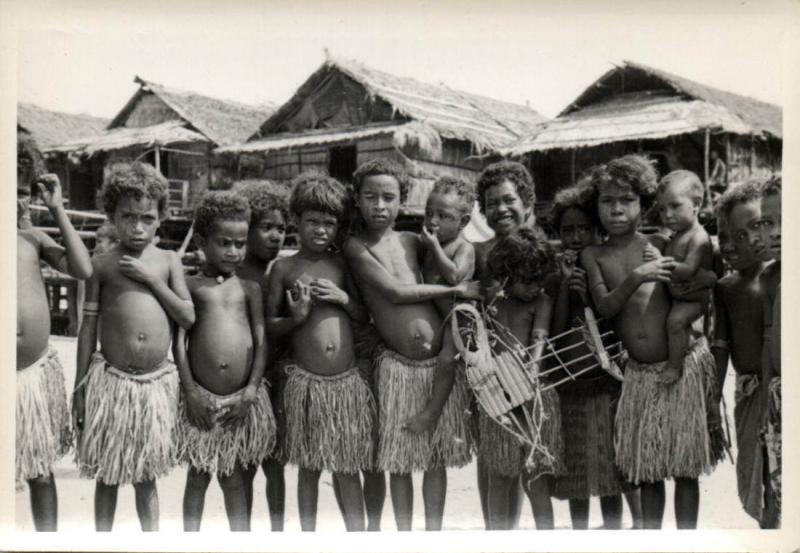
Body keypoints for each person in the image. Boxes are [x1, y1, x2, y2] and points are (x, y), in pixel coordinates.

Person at [580, 155, 721, 529]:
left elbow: (697, 278)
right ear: (596, 205)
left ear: (643, 205)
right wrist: (637, 276)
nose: (616, 208)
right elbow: (605, 307)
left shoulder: (662, 241)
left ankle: (686, 539)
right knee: (650, 467)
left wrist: (700, 282)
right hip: (640, 374)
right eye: (607, 200)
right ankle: (654, 539)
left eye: (626, 200)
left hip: (680, 365)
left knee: (685, 466)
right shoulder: (593, 254)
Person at [343, 159, 477, 531]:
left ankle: (432, 533)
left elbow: (447, 258)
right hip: (398, 365)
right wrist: (455, 289)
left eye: (389, 197)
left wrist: (459, 284)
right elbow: (395, 292)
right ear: (357, 200)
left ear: (402, 200)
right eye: (371, 197)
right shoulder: (355, 247)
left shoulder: (412, 241)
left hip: (436, 362)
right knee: (399, 458)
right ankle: (403, 534)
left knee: (435, 457)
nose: (380, 206)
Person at [73, 162, 195, 531]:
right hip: (112, 383)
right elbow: (88, 326)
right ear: (111, 216)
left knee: (146, 476)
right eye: (127, 217)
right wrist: (80, 388)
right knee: (107, 474)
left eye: (147, 217)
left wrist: (151, 280)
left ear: (162, 218)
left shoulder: (169, 261)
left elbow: (187, 317)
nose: (137, 227)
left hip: (155, 385)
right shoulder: (102, 265)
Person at [267, 173, 377, 532]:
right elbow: (269, 325)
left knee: (346, 467)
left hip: (345, 384)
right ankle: (308, 538)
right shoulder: (283, 268)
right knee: (309, 467)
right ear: (296, 220)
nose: (320, 230)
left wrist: (344, 299)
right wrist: (295, 316)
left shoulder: (342, 265)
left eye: (329, 223)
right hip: (306, 384)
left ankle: (357, 538)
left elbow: (364, 317)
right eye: (312, 221)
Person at [177, 191, 276, 531]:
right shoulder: (190, 286)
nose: (234, 252)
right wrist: (190, 392)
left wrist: (251, 391)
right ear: (202, 242)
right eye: (224, 243)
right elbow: (179, 342)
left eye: (239, 243)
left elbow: (262, 342)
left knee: (233, 477)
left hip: (239, 400)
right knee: (198, 476)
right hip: (201, 398)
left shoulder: (249, 289)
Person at [548, 184, 642, 530]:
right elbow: (556, 333)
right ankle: (579, 536)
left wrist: (587, 295)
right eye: (567, 230)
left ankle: (615, 534)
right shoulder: (553, 273)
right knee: (576, 471)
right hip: (569, 381)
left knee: (609, 468)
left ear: (598, 230)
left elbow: (616, 321)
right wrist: (562, 288)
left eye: (584, 228)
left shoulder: (604, 266)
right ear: (556, 234)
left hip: (606, 379)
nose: (576, 237)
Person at [17, 131, 93, 531]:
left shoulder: (32, 237)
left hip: (30, 376)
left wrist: (58, 210)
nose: (14, 201)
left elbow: (82, 268)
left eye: (20, 192)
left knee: (40, 469)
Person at [472, 160, 539, 529]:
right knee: (495, 463)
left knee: (528, 464)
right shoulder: (478, 253)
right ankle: (495, 537)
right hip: (490, 374)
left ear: (527, 201)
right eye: (492, 203)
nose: (500, 209)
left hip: (533, 372)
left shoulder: (542, 250)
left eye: (509, 199)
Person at [482, 227, 564, 530]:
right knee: (500, 474)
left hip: (533, 395)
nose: (534, 287)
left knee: (536, 476)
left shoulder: (541, 301)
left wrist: (533, 364)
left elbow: (539, 336)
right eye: (526, 280)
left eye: (539, 280)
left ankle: (545, 539)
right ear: (507, 273)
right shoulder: (493, 300)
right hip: (497, 394)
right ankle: (497, 538)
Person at [234, 180, 291, 531]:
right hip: (243, 383)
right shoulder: (234, 274)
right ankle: (244, 536)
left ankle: (277, 533)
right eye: (266, 227)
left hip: (277, 380)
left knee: (275, 465)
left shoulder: (284, 272)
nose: (276, 236)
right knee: (244, 464)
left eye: (282, 228)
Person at [713, 182, 771, 525]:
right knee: (753, 478)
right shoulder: (726, 287)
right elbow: (721, 346)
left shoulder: (781, 280)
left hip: (781, 394)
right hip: (748, 395)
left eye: (753, 227)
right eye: (729, 234)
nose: (738, 242)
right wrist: (711, 399)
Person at [406, 175, 477, 434]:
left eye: (443, 216)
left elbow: (455, 277)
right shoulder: (429, 245)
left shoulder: (463, 247)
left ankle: (431, 414)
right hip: (439, 316)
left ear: (464, 221)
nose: (433, 222)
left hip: (460, 318)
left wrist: (434, 247)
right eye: (428, 214)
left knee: (447, 360)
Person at [653, 170, 714, 384]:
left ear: (696, 204)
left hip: (695, 299)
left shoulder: (698, 237)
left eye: (675, 206)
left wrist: (659, 259)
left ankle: (674, 367)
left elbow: (688, 270)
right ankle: (682, 347)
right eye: (662, 209)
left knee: (676, 321)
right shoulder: (676, 235)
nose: (667, 214)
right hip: (679, 297)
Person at [757, 176, 781, 528]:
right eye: (767, 222)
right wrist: (766, 406)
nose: (774, 232)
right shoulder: (770, 278)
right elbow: (768, 341)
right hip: (779, 404)